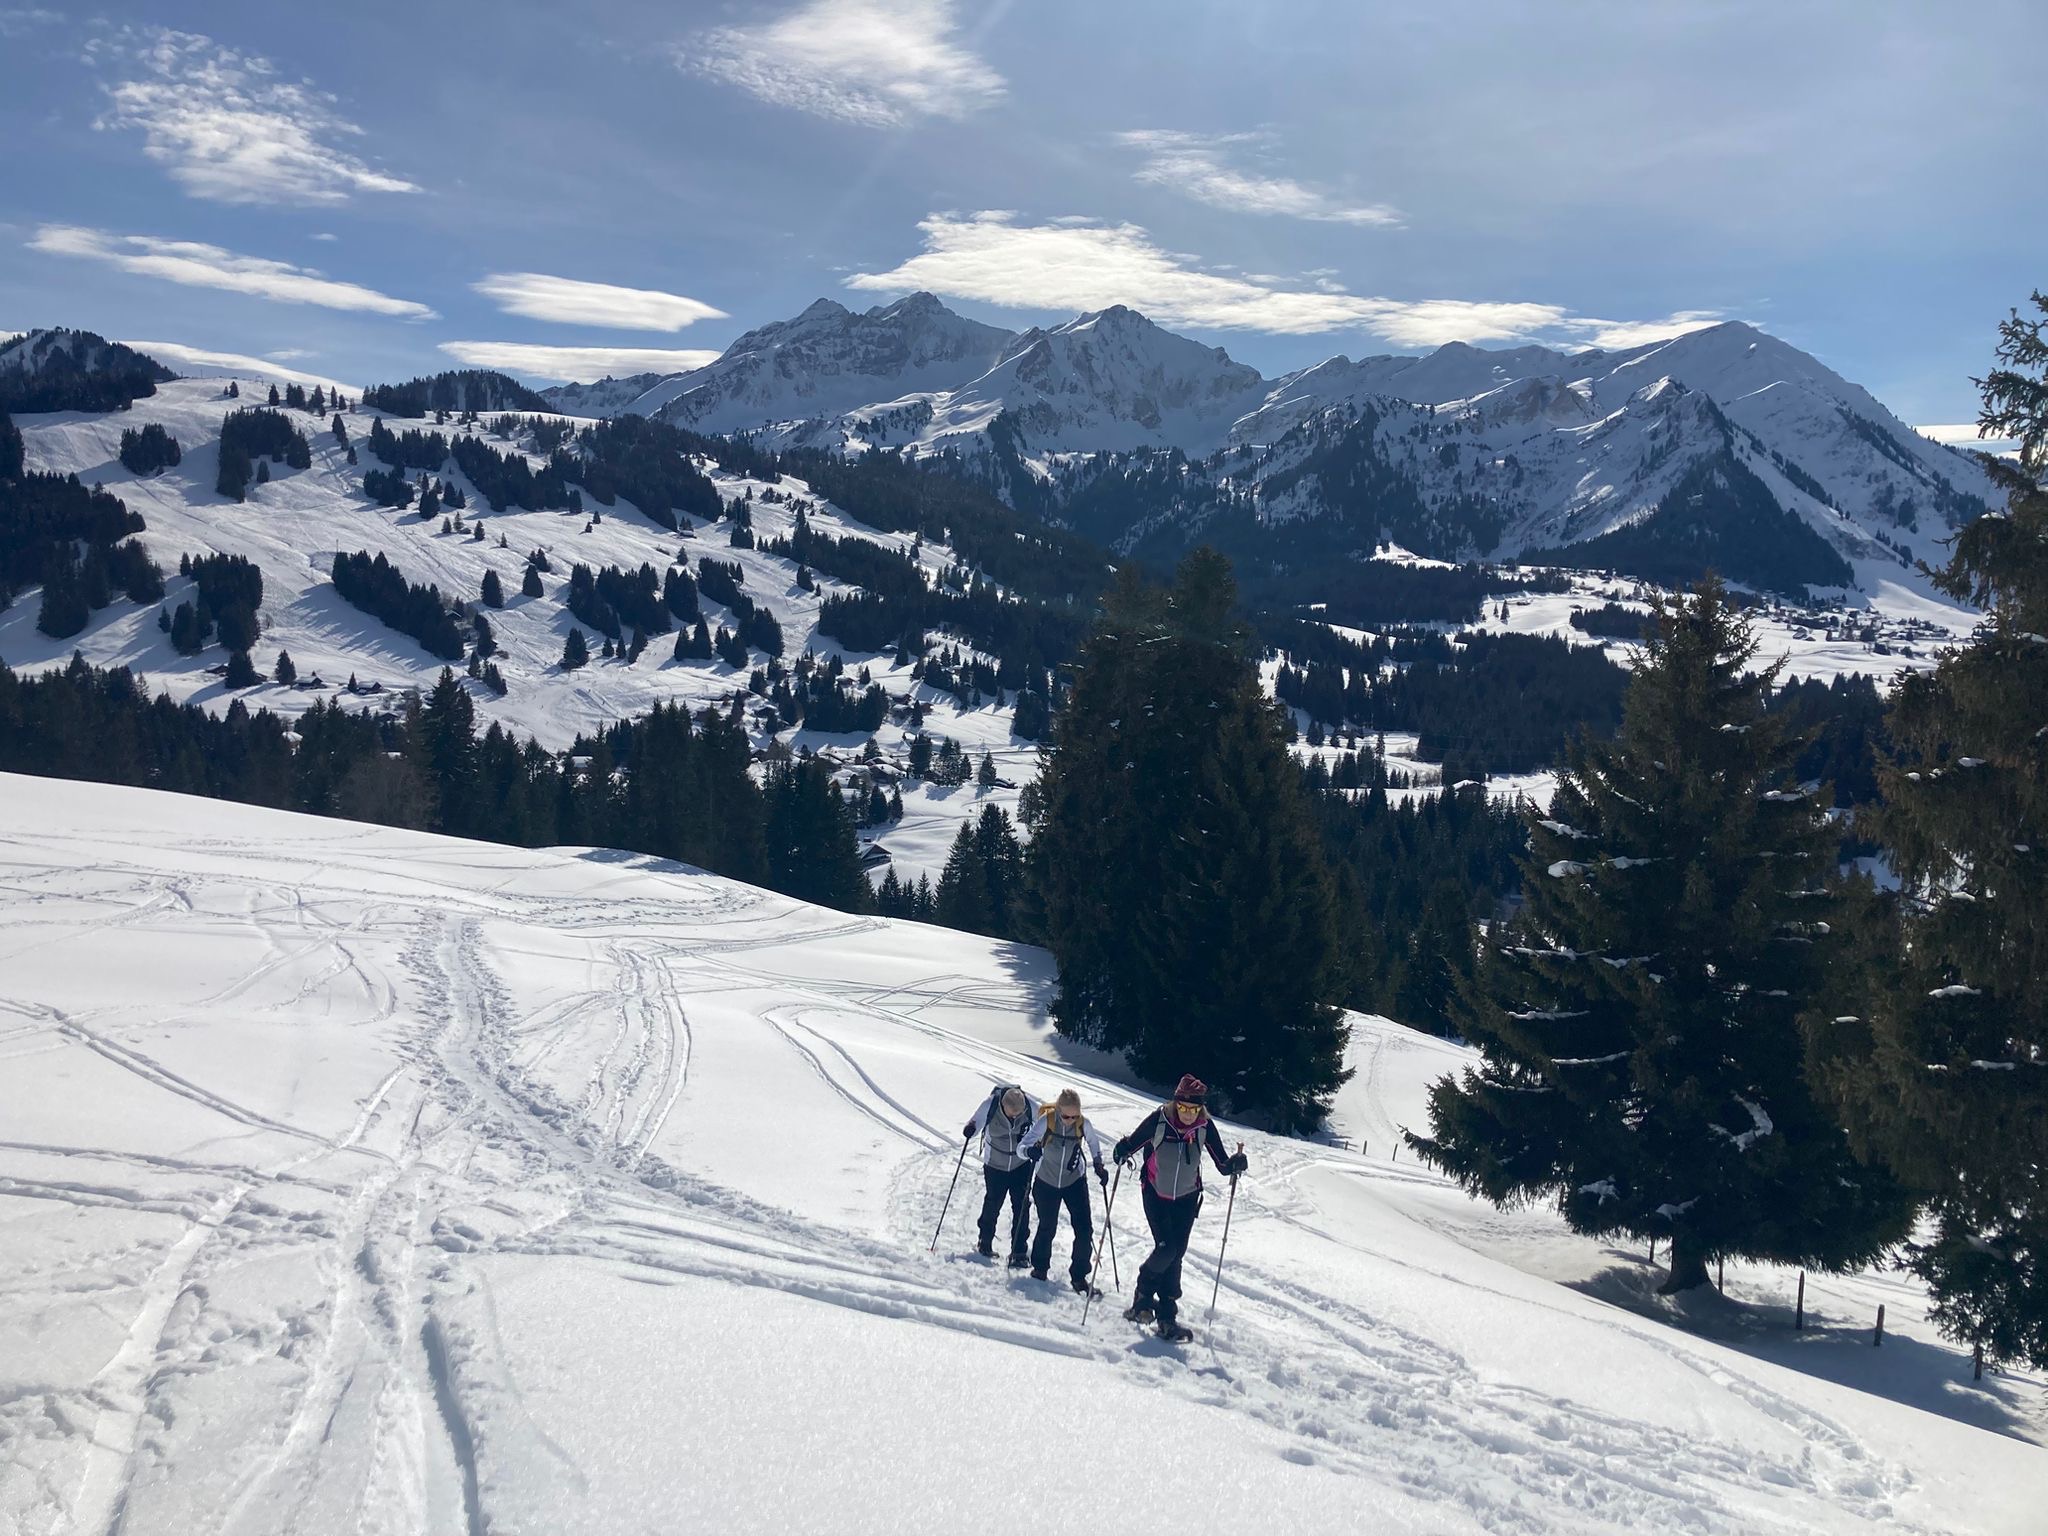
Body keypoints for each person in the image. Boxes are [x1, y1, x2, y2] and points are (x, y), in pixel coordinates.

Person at [1112, 1074, 1247, 1340]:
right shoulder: (1159, 1120)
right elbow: (1133, 1143)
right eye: (1183, 1108)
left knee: (1177, 1254)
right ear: (1176, 1103)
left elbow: (1222, 1164)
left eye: (1193, 1109)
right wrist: (1121, 1150)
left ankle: (1166, 1316)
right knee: (1167, 1248)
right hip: (1155, 1193)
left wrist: (1236, 1164)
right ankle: (1143, 1295)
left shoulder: (1204, 1127)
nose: (1187, 1114)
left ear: (1201, 1109)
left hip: (1186, 1199)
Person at [1018, 1088, 1108, 1292]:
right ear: (1058, 1110)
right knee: (1047, 1226)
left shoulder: (1083, 1124)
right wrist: (1029, 1151)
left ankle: (1079, 1276)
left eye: (1074, 1116)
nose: (1070, 1120)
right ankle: (1039, 1268)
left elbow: (1094, 1143)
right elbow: (1022, 1147)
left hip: (1074, 1181)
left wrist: (1099, 1164)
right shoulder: (1047, 1121)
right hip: (1046, 1181)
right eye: (1066, 1116)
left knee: (1084, 1229)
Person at [963, 1084, 1035, 1265]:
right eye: (1012, 1113)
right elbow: (975, 1122)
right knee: (993, 1203)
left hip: (1021, 1164)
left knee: (1022, 1205)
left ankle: (1019, 1251)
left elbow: (1045, 1122)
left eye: (1019, 1113)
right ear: (1003, 1106)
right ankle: (984, 1242)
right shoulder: (990, 1105)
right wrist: (970, 1129)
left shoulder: (1030, 1106)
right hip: (995, 1164)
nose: (1016, 1116)